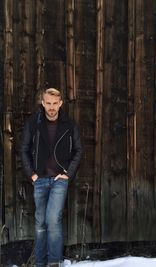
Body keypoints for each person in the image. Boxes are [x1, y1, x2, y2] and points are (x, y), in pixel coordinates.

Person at [21, 88, 82, 267]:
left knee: (52, 219)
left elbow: (78, 150)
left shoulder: (69, 125)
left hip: (59, 180)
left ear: (61, 103)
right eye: (48, 103)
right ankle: (40, 263)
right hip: (39, 179)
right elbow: (24, 149)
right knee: (40, 222)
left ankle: (54, 263)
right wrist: (32, 174)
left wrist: (67, 174)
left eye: (55, 103)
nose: (52, 107)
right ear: (42, 102)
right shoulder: (33, 123)